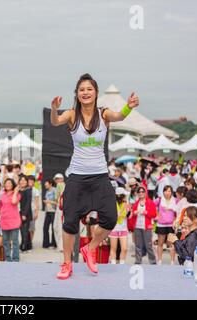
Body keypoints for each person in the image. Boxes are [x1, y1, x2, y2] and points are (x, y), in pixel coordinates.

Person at [50, 73, 140, 279]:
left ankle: (90, 248)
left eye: (89, 89)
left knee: (110, 218)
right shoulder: (72, 115)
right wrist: (54, 110)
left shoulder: (104, 114)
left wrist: (129, 106)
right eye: (82, 89)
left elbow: (120, 116)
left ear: (96, 93)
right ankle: (66, 264)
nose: (85, 92)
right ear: (77, 94)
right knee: (70, 222)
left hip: (99, 176)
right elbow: (55, 122)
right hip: (77, 176)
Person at [168, 206, 197, 275]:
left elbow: (188, 257)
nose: (184, 218)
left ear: (196, 219)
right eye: (184, 215)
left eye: (188, 216)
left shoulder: (194, 236)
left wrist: (176, 241)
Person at [129, 186, 157, 264]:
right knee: (138, 245)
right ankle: (138, 261)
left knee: (148, 245)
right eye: (139, 192)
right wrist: (134, 213)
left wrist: (146, 213)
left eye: (142, 191)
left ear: (145, 192)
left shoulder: (150, 202)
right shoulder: (136, 203)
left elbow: (154, 214)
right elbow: (132, 213)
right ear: (137, 193)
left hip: (147, 227)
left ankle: (153, 262)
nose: (141, 193)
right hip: (137, 226)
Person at [0, 179, 21, 262]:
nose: (7, 185)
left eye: (9, 183)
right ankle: (7, 258)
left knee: (14, 241)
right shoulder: (2, 195)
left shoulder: (17, 194)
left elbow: (14, 202)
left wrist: (15, 192)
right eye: (6, 183)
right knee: (5, 242)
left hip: (14, 221)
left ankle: (15, 258)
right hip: (4, 221)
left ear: (12, 185)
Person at [154, 185, 177, 265]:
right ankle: (159, 261)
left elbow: (179, 210)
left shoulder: (175, 200)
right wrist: (157, 215)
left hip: (171, 225)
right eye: (166, 191)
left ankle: (172, 261)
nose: (167, 193)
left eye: (169, 191)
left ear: (171, 192)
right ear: (163, 192)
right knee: (160, 243)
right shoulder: (159, 200)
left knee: (171, 244)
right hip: (161, 224)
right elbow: (152, 206)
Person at [108, 187, 130, 264]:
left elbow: (128, 216)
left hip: (123, 228)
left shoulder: (126, 204)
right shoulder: (112, 204)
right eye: (124, 195)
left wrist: (129, 210)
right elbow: (114, 216)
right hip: (114, 228)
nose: (125, 197)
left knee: (124, 248)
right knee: (113, 248)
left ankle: (122, 263)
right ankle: (113, 263)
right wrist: (122, 209)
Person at [18, 176, 33, 252]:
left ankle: (24, 247)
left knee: (25, 230)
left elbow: (28, 203)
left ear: (27, 182)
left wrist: (24, 214)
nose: (22, 182)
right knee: (23, 230)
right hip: (19, 212)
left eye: (24, 180)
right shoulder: (18, 190)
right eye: (21, 180)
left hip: (26, 213)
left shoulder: (28, 190)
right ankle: (28, 245)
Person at [43, 179, 57, 249]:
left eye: (46, 183)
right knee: (45, 227)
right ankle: (46, 244)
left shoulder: (55, 190)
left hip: (53, 211)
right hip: (48, 211)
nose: (45, 184)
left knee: (53, 228)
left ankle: (53, 244)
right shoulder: (47, 191)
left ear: (50, 184)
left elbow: (57, 202)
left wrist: (48, 201)